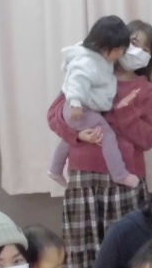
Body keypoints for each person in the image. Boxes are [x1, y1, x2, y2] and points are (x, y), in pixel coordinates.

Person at [48, 19, 152, 268]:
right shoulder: (89, 70)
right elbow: (55, 115)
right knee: (81, 250)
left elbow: (148, 139)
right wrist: (77, 135)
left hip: (124, 183)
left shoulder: (146, 91)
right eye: (133, 42)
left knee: (126, 251)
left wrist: (124, 111)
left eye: (145, 47)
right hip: (84, 178)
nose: (137, 51)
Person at [48, 15, 137, 188]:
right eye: (117, 50)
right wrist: (76, 103)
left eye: (123, 50)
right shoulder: (88, 62)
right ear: (102, 45)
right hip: (79, 108)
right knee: (108, 135)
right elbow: (76, 81)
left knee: (68, 139)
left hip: (77, 108)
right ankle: (120, 174)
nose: (120, 54)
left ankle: (55, 169)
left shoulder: (99, 57)